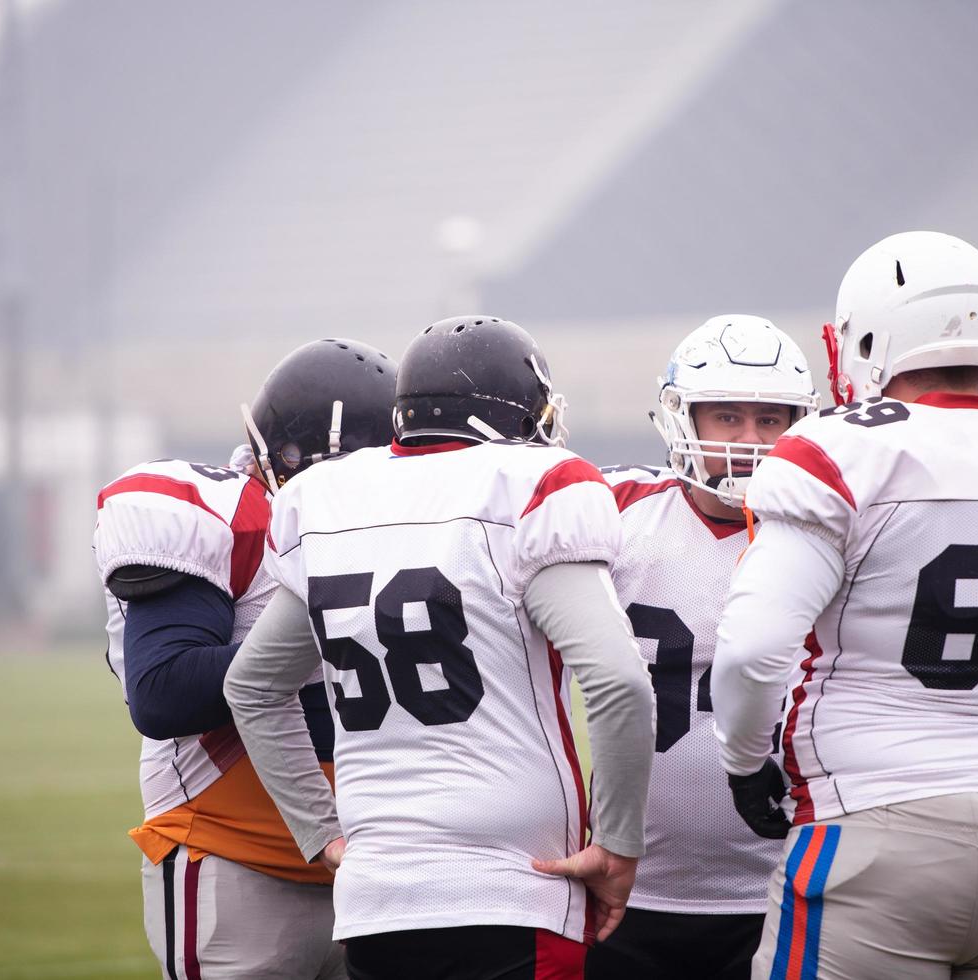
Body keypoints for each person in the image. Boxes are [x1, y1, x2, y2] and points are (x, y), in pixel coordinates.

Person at [712, 231, 978, 979]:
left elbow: (752, 649)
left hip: (882, 829)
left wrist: (747, 763)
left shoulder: (841, 450)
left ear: (870, 339)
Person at [223, 315, 656, 980]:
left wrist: (320, 833)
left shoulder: (328, 496)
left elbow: (251, 685)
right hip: (513, 890)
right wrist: (619, 844)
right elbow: (618, 680)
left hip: (377, 903)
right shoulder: (527, 488)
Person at [93, 338, 396, 980]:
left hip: (376, 868)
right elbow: (164, 689)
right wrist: (335, 634)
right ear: (289, 459)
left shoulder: (414, 528)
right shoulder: (225, 516)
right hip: (235, 860)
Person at [588, 314, 817, 980]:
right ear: (681, 419)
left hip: (785, 888)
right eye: (727, 417)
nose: (751, 441)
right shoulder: (613, 513)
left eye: (772, 420)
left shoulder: (830, 530)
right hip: (628, 885)